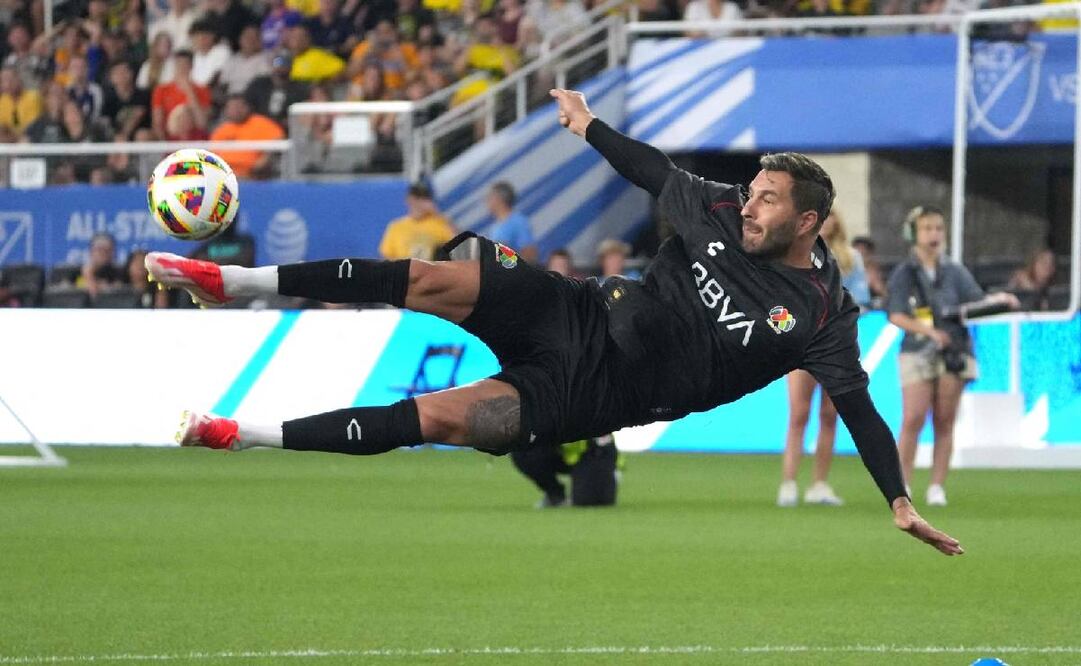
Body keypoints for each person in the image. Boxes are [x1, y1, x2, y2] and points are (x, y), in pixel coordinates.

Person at [148, 87, 963, 557]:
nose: (748, 205)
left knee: (433, 418)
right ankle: (232, 280)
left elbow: (858, 409)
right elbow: (652, 171)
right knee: (429, 274)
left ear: (808, 221)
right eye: (750, 192)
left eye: (767, 200)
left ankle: (241, 434)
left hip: (592, 392)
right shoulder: (719, 207)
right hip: (577, 308)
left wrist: (895, 500)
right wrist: (586, 125)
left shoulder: (821, 315)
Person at [886, 206, 1019, 507]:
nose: (934, 234)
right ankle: (901, 484)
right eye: (927, 228)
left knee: (944, 420)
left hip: (953, 349)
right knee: (913, 417)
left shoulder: (955, 271)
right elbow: (895, 314)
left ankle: (937, 486)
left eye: (938, 228)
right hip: (917, 349)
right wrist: (929, 331)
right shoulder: (904, 272)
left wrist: (998, 300)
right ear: (914, 234)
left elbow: (976, 302)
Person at [511, 250, 620, 508]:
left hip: (589, 439)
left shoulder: (584, 313)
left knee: (590, 502)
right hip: (555, 428)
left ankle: (605, 474)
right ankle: (555, 493)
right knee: (521, 448)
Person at [777, 211, 870, 507]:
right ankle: (789, 482)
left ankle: (819, 483)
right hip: (803, 345)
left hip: (837, 345)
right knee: (799, 413)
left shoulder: (850, 259)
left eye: (830, 217)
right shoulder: (793, 254)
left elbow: (861, 300)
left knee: (830, 415)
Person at [209, 94, 286, 179]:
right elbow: (212, 154)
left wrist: (265, 158)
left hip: (252, 175)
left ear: (247, 107)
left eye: (239, 107)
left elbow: (278, 139)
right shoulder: (222, 129)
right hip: (224, 175)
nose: (236, 110)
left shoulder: (260, 123)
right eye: (232, 107)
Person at [379, 182, 457, 260]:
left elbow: (457, 242)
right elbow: (386, 256)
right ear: (409, 200)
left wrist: (437, 213)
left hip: (428, 266)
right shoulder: (397, 226)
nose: (419, 204)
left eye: (423, 199)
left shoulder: (438, 224)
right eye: (417, 199)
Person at [151, 49, 210, 140]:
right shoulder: (161, 90)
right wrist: (164, 143)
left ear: (191, 66)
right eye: (179, 64)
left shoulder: (202, 90)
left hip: (194, 138)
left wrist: (190, 92)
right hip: (170, 137)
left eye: (185, 65)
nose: (182, 68)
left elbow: (202, 123)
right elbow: (157, 122)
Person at [485, 181, 537, 263]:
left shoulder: (519, 222)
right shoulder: (494, 227)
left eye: (490, 197)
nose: (487, 201)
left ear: (499, 199)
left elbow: (530, 254)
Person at [851, 235, 887, 305]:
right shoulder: (845, 271)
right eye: (856, 255)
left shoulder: (874, 271)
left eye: (863, 255)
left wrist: (876, 283)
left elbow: (885, 294)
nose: (859, 259)